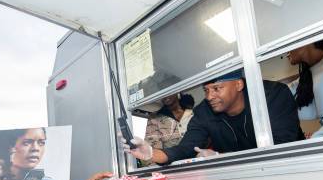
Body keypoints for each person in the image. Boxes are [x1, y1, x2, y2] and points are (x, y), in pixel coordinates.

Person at [123, 70, 302, 164]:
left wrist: (221, 156)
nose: (209, 97)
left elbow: (281, 146)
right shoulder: (204, 112)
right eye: (206, 90)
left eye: (216, 89)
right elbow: (186, 148)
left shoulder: (272, 95)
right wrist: (152, 154)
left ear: (239, 84)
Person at [141, 93, 195, 166]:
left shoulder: (193, 113)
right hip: (172, 167)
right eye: (162, 93)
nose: (165, 96)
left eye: (168, 92)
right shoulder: (154, 118)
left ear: (176, 91)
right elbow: (152, 149)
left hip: (199, 161)